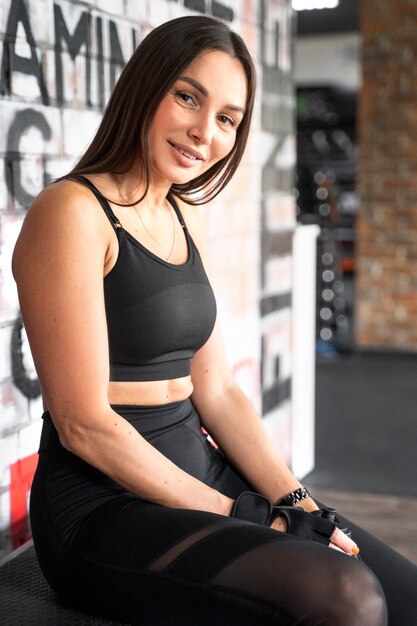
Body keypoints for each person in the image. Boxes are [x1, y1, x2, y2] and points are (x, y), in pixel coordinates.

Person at [11, 15, 416, 626]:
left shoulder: (182, 214)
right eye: (187, 97)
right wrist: (247, 516)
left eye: (227, 118)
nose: (205, 133)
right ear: (145, 89)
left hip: (200, 471)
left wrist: (300, 504)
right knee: (346, 600)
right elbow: (84, 424)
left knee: (401, 589)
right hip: (103, 508)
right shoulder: (71, 211)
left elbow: (219, 392)